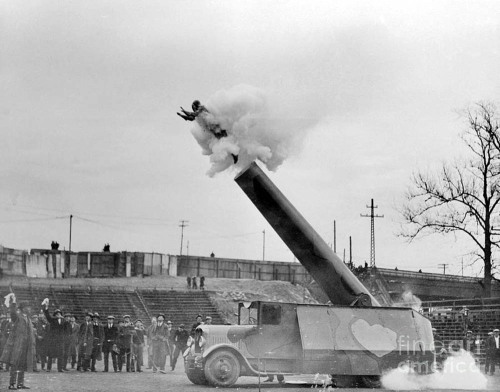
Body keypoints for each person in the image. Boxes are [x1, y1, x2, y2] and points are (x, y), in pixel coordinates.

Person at [0, 294, 35, 390]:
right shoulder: (17, 317)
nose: (29, 309)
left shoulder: (28, 318)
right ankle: (12, 384)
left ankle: (20, 383)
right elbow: (12, 312)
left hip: (25, 345)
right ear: (23, 308)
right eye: (27, 307)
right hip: (17, 345)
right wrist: (13, 302)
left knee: (22, 365)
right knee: (14, 364)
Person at [42, 301, 68, 372]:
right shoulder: (52, 320)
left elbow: (66, 330)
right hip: (53, 340)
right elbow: (48, 316)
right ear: (55, 315)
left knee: (60, 355)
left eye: (59, 314)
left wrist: (64, 337)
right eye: (56, 314)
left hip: (61, 340)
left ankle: (60, 368)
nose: (58, 315)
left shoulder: (64, 321)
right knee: (51, 354)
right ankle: (48, 368)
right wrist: (46, 308)